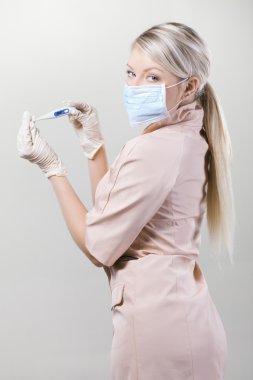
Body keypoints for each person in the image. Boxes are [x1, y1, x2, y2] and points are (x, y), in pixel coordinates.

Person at [17, 21, 235, 380]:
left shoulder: (154, 149)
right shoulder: (189, 135)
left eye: (152, 78)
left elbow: (97, 245)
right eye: (131, 73)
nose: (134, 87)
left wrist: (52, 168)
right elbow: (113, 216)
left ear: (190, 86)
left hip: (159, 332)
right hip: (187, 322)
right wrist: (94, 146)